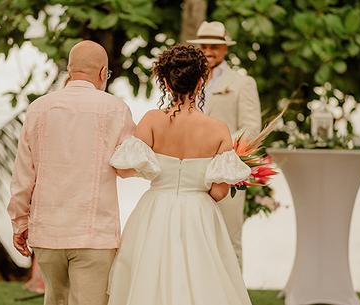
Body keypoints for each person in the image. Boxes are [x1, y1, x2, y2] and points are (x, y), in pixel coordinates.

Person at [107, 45, 253, 305]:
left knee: (148, 279)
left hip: (155, 210)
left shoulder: (152, 120)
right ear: (201, 82)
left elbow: (123, 169)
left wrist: (157, 173)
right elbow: (219, 192)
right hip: (199, 213)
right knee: (203, 280)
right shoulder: (218, 129)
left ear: (165, 82)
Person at [7, 40, 135, 305]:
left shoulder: (39, 108)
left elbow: (23, 174)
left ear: (69, 70)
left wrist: (20, 222)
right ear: (102, 73)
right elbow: (126, 167)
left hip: (47, 234)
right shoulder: (115, 109)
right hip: (94, 235)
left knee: (54, 299)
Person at [187, 21, 262, 268]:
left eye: (215, 46)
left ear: (225, 49)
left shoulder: (242, 83)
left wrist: (222, 153)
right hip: (191, 173)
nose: (208, 50)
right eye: (204, 46)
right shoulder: (188, 81)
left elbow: (251, 129)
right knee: (194, 239)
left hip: (226, 172)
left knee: (229, 239)